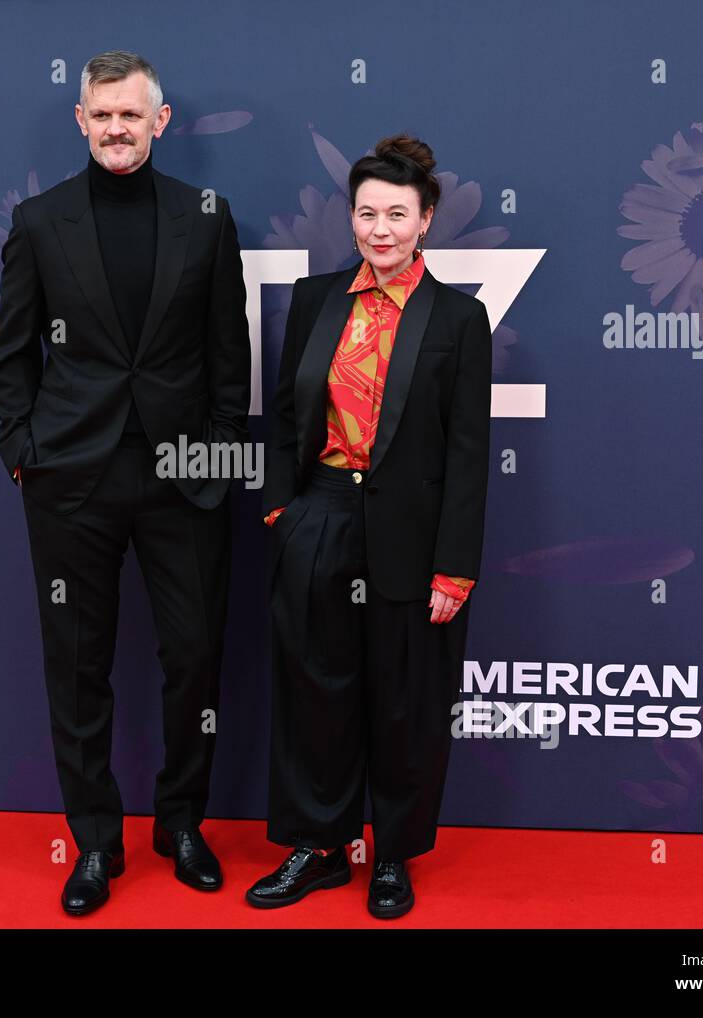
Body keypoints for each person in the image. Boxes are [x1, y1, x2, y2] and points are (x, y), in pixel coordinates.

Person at [0, 51, 251, 916]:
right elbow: (12, 354)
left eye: (130, 116)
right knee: (78, 668)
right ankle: (95, 843)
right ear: (81, 121)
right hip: (71, 480)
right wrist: (23, 447)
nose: (115, 129)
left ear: (160, 121)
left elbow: (228, 354)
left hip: (184, 478)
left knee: (194, 657)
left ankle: (182, 825)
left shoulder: (206, 218)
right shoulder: (38, 221)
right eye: (101, 115)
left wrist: (216, 460)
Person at [246, 134, 492, 919]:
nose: (378, 229)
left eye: (396, 213)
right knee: (314, 690)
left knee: (402, 700)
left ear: (425, 221)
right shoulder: (317, 298)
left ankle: (389, 855)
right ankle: (317, 849)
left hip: (412, 537)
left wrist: (454, 567)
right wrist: (285, 508)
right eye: (365, 212)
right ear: (348, 217)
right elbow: (285, 415)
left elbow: (467, 452)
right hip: (318, 518)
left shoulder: (458, 318)